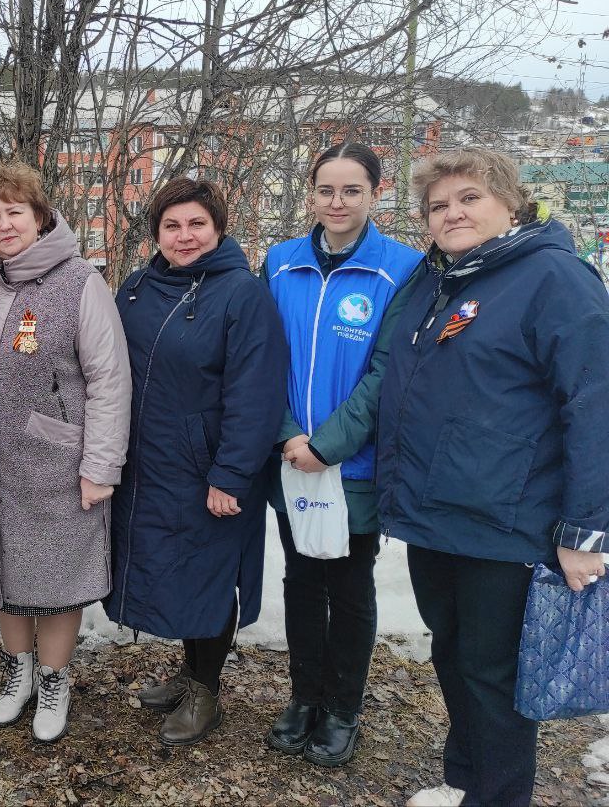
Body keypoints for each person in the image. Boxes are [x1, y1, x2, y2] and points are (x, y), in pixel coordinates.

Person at [377, 148, 609, 807]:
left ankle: (497, 795)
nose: (452, 213)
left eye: (468, 198)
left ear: (510, 204)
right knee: (452, 655)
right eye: (438, 205)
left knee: (492, 676)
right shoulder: (438, 279)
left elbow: (596, 405)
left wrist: (586, 529)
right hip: (435, 513)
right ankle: (465, 781)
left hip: (506, 521)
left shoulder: (552, 278)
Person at [0, 161, 131, 744]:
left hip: (56, 466)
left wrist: (100, 466)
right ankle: (17, 671)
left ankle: (54, 678)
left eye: (14, 212)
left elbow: (109, 379)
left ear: (40, 216)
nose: (4, 224)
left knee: (54, 579)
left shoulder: (80, 282)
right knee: (4, 571)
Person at [106, 177, 288, 747]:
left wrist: (231, 472)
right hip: (146, 461)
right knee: (173, 570)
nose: (184, 237)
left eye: (196, 224)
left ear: (218, 228)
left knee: (209, 576)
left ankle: (206, 689)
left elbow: (256, 392)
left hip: (207, 466)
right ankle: (188, 675)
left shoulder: (241, 293)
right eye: (171, 225)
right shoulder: (137, 286)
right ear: (156, 233)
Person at [260, 143, 421, 766]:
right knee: (301, 579)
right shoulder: (280, 262)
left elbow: (388, 371)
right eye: (326, 190)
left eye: (351, 190)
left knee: (349, 585)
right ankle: (305, 697)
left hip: (352, 463)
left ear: (375, 194)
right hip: (291, 457)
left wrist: (327, 444)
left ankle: (343, 708)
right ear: (311, 193)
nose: (337, 202)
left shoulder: (401, 269)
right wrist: (288, 435)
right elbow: (262, 357)